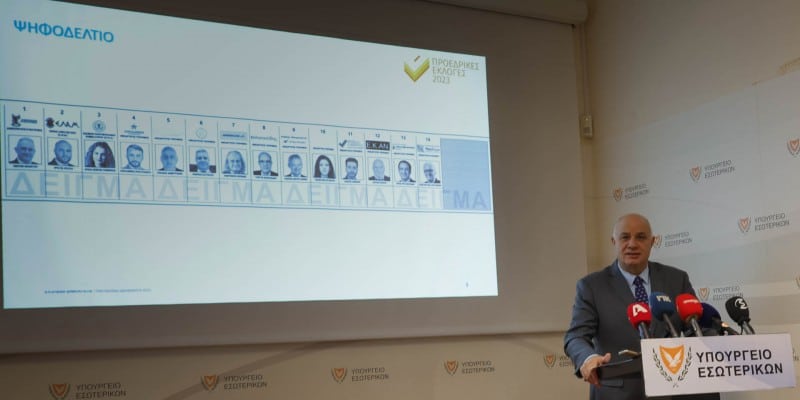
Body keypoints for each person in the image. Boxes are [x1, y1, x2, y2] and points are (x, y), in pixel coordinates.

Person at [564, 213, 718, 400]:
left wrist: (717, 341)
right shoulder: (592, 286)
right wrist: (588, 358)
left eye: (641, 237)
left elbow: (695, 328)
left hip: (672, 391)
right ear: (614, 242)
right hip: (617, 393)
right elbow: (576, 336)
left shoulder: (677, 279)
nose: (632, 244)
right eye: (625, 237)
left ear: (652, 242)